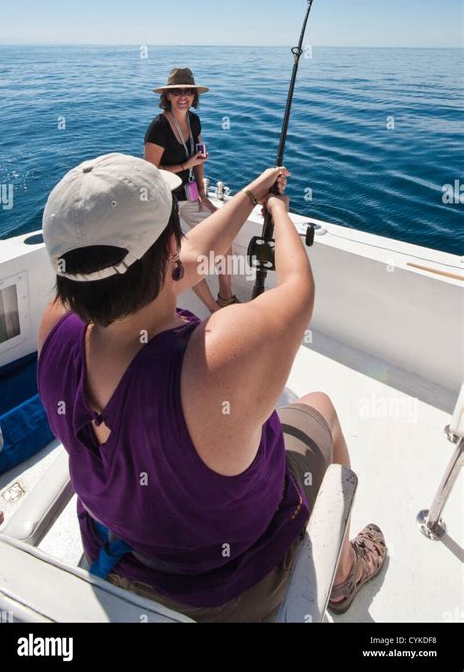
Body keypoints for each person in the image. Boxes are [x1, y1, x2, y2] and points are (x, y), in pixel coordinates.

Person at [37, 152, 386, 622]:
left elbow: (190, 257)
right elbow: (298, 289)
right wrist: (279, 211)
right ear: (167, 251)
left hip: (116, 555)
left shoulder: (54, 327)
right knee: (320, 406)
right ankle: (345, 575)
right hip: (224, 595)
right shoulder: (216, 359)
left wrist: (248, 195)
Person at [144, 67, 239, 313]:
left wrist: (203, 193)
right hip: (165, 200)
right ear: (167, 97)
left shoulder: (194, 120)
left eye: (188, 91)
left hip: (190, 194)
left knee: (223, 236)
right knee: (184, 258)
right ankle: (213, 309)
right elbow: (150, 173)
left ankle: (226, 296)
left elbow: (200, 157)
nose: (183, 96)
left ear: (195, 96)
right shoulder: (158, 127)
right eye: (177, 92)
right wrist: (186, 164)